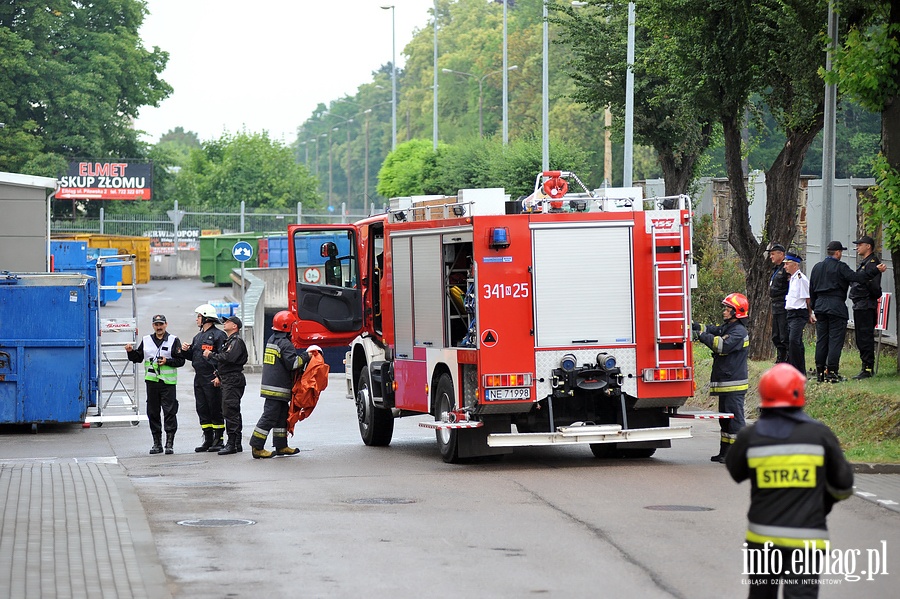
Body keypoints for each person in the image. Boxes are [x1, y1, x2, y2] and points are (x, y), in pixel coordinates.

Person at [726, 363, 854, 598]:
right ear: (798, 393)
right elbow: (843, 485)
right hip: (807, 539)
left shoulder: (750, 436)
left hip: (761, 537)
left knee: (761, 595)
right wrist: (821, 505)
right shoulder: (819, 435)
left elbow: (735, 472)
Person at [808, 241, 886, 382]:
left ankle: (820, 372)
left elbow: (811, 289)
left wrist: (815, 307)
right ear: (837, 253)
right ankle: (832, 372)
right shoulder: (841, 267)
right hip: (836, 306)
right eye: (841, 252)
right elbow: (858, 278)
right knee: (835, 341)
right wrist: (876, 270)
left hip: (820, 306)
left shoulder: (817, 267)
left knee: (821, 340)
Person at [692, 293, 750, 463]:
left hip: (734, 385)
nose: (724, 311)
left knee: (735, 422)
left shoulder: (739, 332)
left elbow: (721, 346)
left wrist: (700, 336)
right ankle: (725, 453)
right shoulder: (728, 328)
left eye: (728, 309)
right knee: (725, 423)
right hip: (727, 383)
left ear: (736, 312)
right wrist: (694, 326)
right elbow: (713, 330)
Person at [249, 310, 310, 459]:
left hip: (273, 386)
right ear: (287, 326)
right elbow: (293, 364)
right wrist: (307, 356)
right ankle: (257, 446)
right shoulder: (285, 343)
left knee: (282, 417)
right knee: (269, 417)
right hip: (278, 389)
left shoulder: (273, 339)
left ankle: (281, 445)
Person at [126, 314, 185, 455]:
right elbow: (138, 358)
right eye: (156, 324)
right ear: (153, 326)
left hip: (168, 383)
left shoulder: (173, 340)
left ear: (166, 324)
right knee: (153, 413)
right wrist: (130, 352)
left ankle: (169, 443)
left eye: (161, 324)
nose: (159, 327)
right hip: (152, 383)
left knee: (170, 412)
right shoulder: (146, 340)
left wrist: (167, 361)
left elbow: (181, 361)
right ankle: (157, 443)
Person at [181, 304, 227, 453]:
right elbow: (194, 357)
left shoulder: (219, 336)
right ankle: (208, 439)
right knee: (202, 408)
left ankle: (218, 439)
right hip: (199, 378)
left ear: (206, 317)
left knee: (215, 408)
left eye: (199, 316)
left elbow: (223, 358)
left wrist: (219, 376)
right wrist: (185, 351)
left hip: (212, 377)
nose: (196, 319)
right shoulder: (198, 336)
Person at [204, 315, 248, 455]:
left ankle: (232, 443)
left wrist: (211, 355)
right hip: (228, 379)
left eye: (228, 322)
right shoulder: (229, 341)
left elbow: (228, 358)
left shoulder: (236, 342)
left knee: (230, 412)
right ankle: (236, 442)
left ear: (235, 326)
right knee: (231, 410)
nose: (225, 323)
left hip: (233, 380)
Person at [848, 235, 883, 379]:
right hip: (860, 304)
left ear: (868, 246)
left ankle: (867, 368)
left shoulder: (872, 263)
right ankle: (865, 366)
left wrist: (863, 291)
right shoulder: (865, 263)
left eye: (860, 244)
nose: (857, 247)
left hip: (866, 304)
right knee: (860, 337)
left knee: (865, 337)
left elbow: (874, 286)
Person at [783, 251, 814, 376]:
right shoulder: (793, 279)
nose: (785, 266)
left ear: (795, 265)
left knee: (794, 341)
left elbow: (808, 298)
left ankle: (797, 369)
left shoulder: (801, 279)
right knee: (795, 343)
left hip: (799, 313)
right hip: (791, 313)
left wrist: (810, 314)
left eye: (787, 264)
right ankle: (799, 370)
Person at [767, 244, 790, 363]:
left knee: (784, 334)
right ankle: (780, 356)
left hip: (783, 304)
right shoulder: (776, 269)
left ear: (781, 254)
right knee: (775, 335)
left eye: (773, 254)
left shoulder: (786, 269)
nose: (771, 257)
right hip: (775, 304)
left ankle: (787, 358)